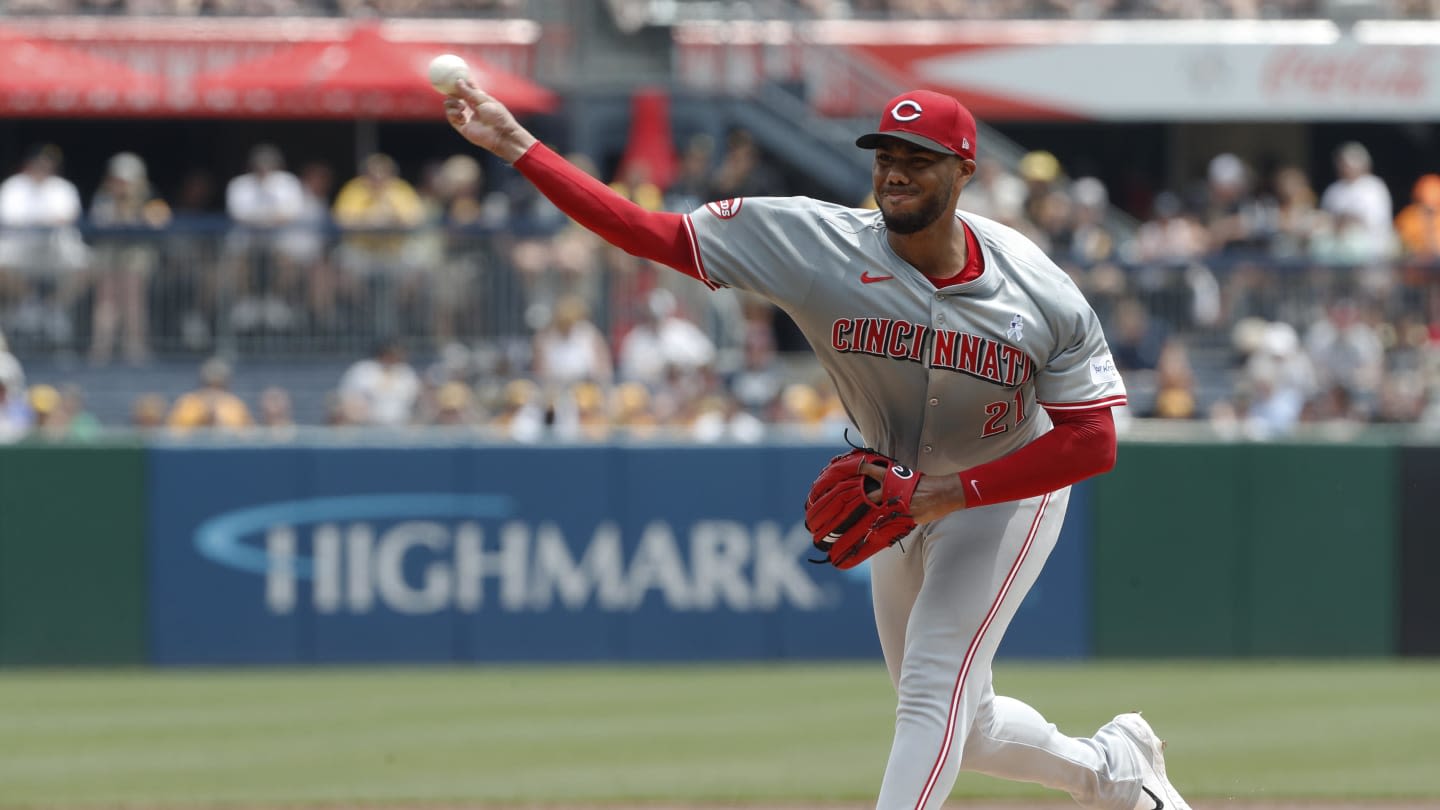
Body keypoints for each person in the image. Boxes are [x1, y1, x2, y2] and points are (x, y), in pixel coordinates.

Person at [441, 82, 1189, 810]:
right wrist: (517, 145)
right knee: (967, 718)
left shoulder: (1039, 288)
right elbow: (652, 232)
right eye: (884, 153)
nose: (895, 170)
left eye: (919, 157)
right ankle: (1115, 772)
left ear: (965, 170)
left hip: (1003, 491)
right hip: (895, 490)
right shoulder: (816, 244)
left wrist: (954, 494)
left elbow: (1093, 443)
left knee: (933, 688)